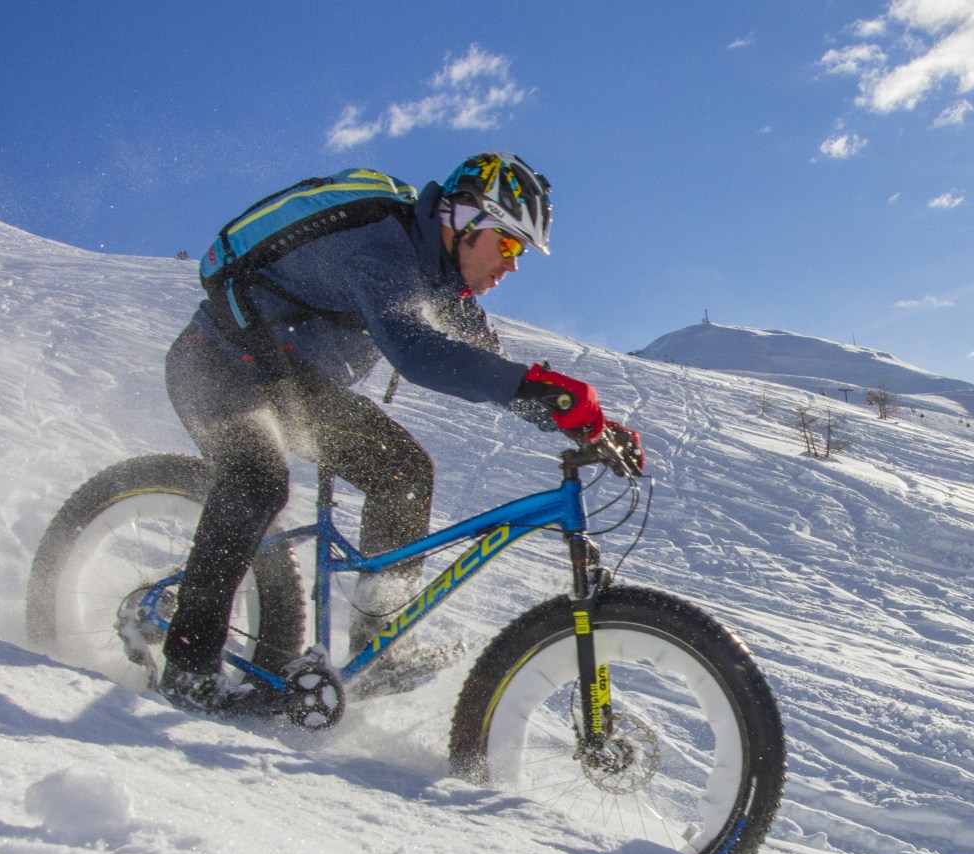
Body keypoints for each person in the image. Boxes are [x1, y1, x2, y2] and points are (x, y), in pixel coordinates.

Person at [158, 151, 639, 712]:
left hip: (292, 386)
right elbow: (417, 354)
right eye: (507, 244)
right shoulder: (379, 244)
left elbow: (488, 366)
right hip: (215, 366)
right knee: (258, 480)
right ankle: (187, 668)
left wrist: (586, 426)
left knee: (402, 472)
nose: (511, 266)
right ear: (462, 220)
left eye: (521, 253)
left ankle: (375, 648)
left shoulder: (440, 280)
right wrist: (548, 390)